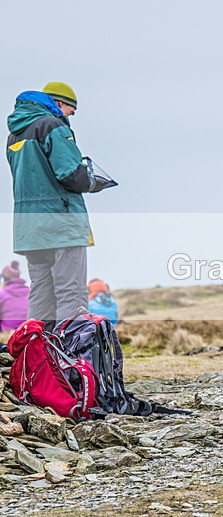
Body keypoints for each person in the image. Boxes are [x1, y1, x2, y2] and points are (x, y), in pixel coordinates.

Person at [6, 82, 100, 331]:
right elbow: (71, 175)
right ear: (59, 103)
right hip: (61, 222)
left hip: (29, 227)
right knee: (71, 292)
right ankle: (69, 360)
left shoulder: (15, 133)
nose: (71, 116)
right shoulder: (54, 126)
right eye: (72, 109)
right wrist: (93, 182)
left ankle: (37, 358)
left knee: (40, 294)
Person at [0, 260, 30, 331]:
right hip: (28, 329)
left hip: (7, 331)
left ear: (4, 278)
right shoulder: (30, 291)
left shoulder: (2, 292)